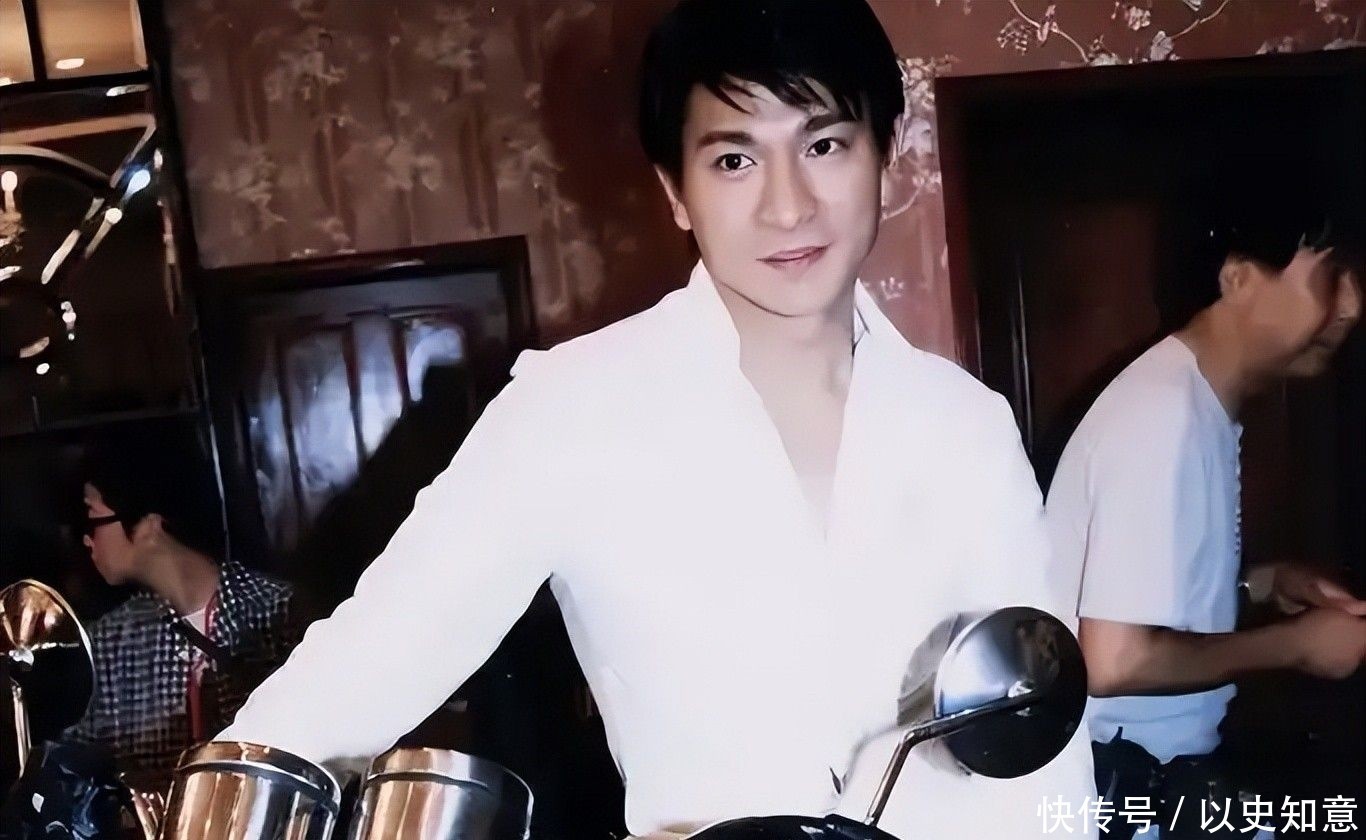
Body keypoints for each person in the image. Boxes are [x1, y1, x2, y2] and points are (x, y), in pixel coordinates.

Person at [221, 1, 1094, 836]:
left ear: (887, 157)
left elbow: (1041, 741)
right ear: (676, 192)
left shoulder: (966, 426)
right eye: (735, 161)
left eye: (824, 144)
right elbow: (363, 670)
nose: (788, 205)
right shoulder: (570, 410)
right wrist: (219, 805)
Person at [1047, 203, 1366, 838]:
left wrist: (1266, 585)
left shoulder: (1194, 402)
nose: (1351, 306)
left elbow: (1147, 602)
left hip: (1163, 780)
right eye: (1329, 276)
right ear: (1238, 276)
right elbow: (1113, 661)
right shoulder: (1162, 412)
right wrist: (1299, 646)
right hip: (1130, 793)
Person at [68, 430, 302, 788]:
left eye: (93, 519)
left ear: (149, 525)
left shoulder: (280, 612)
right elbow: (77, 769)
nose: (87, 539)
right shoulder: (111, 641)